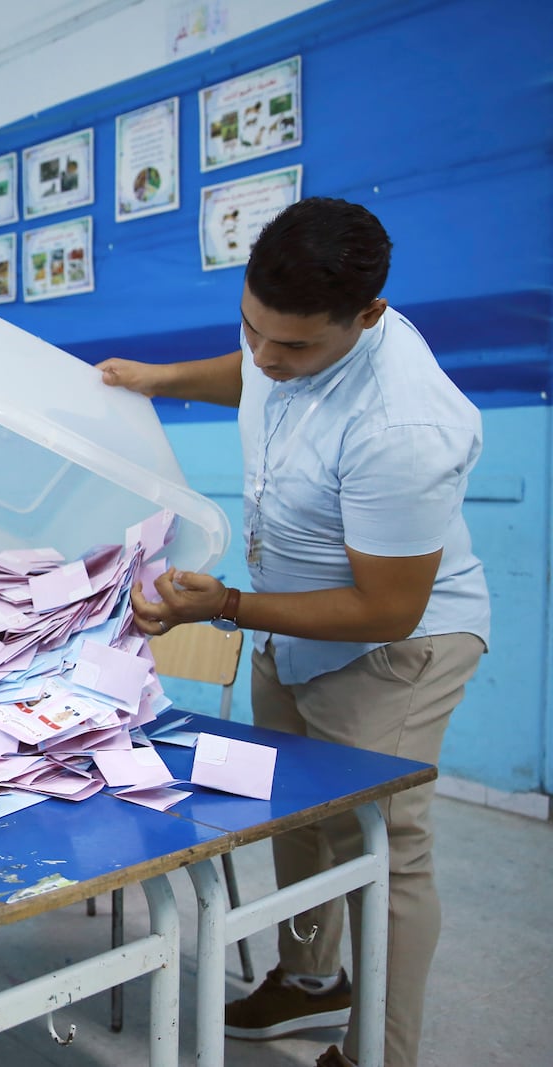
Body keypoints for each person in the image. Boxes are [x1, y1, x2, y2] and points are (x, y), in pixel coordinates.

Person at [99, 197, 489, 1067]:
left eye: (298, 346)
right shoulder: (286, 339)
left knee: (383, 846)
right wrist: (158, 380)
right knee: (294, 814)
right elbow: (256, 373)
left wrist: (227, 606)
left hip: (397, 646)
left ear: (369, 317)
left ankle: (379, 1052)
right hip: (295, 619)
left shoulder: (404, 424)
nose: (270, 358)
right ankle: (311, 980)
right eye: (253, 328)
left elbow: (387, 607)